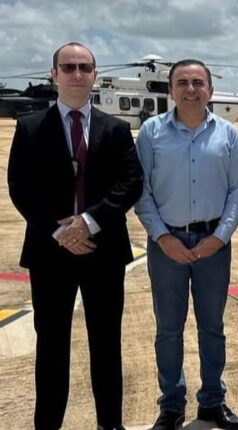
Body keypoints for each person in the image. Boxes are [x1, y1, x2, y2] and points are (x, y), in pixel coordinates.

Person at [7, 42, 143, 430]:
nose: (77, 74)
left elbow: (130, 182)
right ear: (54, 75)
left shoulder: (116, 129)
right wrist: (60, 230)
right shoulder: (30, 127)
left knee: (106, 343)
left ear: (95, 75)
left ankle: (110, 423)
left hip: (103, 252)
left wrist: (89, 221)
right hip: (50, 254)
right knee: (51, 346)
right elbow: (20, 186)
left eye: (84, 67)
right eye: (68, 67)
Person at [134, 59, 238, 430]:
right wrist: (163, 237)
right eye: (182, 82)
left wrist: (220, 236)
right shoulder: (151, 132)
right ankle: (171, 404)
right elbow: (141, 191)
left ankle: (212, 400)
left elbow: (237, 190)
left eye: (198, 82)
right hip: (167, 244)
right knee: (169, 329)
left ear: (210, 90)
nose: (191, 89)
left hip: (214, 244)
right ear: (171, 90)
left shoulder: (227, 134)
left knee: (212, 327)